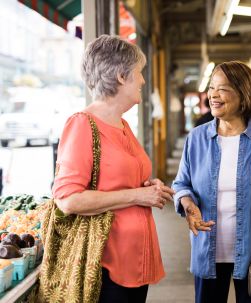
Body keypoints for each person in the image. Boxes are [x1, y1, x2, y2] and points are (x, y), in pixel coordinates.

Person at [52, 35, 174, 302]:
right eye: (139, 73)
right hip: (106, 263)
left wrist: (147, 186)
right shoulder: (82, 124)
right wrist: (137, 195)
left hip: (135, 258)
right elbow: (67, 199)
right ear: (121, 76)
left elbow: (120, 178)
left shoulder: (122, 125)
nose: (142, 81)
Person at [172, 61, 251, 303]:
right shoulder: (197, 138)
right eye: (211, 88)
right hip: (207, 251)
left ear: (244, 93)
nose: (213, 95)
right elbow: (181, 183)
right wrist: (187, 203)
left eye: (223, 88)